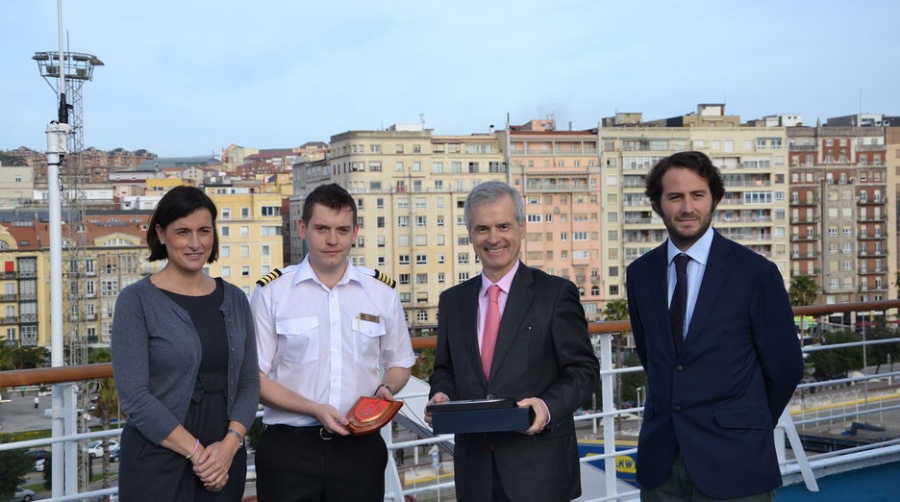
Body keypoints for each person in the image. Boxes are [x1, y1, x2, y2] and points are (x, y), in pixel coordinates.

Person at [626, 151, 804, 501]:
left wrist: (743, 422)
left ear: (715, 199)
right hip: (662, 461)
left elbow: (785, 367)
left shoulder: (755, 273)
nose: (687, 208)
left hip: (735, 458)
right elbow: (652, 356)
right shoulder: (640, 274)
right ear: (658, 205)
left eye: (698, 195)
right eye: (675, 197)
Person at [426, 181, 600, 502]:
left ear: (521, 228)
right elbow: (445, 369)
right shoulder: (453, 302)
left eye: (503, 226)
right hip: (475, 473)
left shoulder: (555, 294)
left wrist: (546, 407)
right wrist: (442, 394)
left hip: (540, 473)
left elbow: (584, 371)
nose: (493, 238)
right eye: (482, 228)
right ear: (469, 234)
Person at [251, 183, 416, 502]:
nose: (332, 240)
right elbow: (253, 379)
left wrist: (387, 389)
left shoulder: (381, 292)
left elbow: (399, 363)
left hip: (360, 447)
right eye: (322, 228)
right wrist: (315, 409)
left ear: (355, 232)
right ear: (302, 228)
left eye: (342, 229)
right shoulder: (272, 293)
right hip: (289, 451)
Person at [111, 185, 260, 501]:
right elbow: (135, 397)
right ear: (161, 234)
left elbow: (248, 382)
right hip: (159, 459)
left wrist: (230, 446)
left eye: (204, 231)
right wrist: (199, 454)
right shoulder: (135, 301)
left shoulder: (235, 299)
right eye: (183, 232)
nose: (195, 243)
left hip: (225, 458)